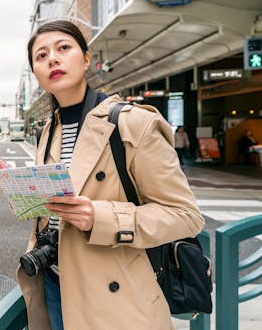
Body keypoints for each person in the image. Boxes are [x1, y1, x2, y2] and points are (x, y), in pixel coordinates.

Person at [17, 20, 204, 330]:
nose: (52, 59)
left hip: (114, 298)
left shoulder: (131, 123)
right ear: (36, 72)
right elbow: (53, 210)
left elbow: (185, 215)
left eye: (63, 48)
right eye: (41, 55)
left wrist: (99, 218)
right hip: (53, 281)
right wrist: (22, 190)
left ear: (87, 58)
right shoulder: (48, 130)